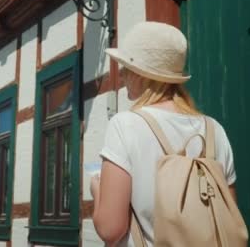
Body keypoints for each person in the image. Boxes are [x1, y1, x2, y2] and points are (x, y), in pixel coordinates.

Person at [90, 21, 237, 246]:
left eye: (125, 68)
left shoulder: (125, 124)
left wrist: (97, 190)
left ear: (141, 75)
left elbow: (111, 230)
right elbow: (228, 214)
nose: (121, 75)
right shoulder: (214, 129)